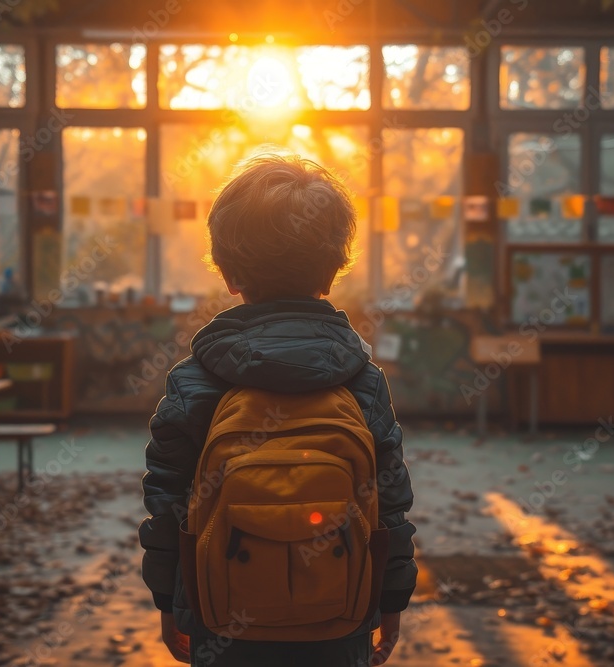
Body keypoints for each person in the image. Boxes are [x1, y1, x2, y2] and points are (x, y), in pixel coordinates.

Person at [139, 153, 417, 666]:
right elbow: (391, 506)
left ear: (229, 274)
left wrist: (169, 603)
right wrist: (390, 601)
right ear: (333, 272)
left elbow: (167, 507)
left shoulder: (195, 380)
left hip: (221, 611)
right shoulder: (362, 381)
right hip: (340, 608)